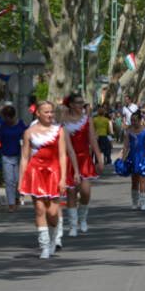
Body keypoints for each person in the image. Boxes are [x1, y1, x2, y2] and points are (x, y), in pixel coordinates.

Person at [20, 101, 77, 259]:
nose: (50, 114)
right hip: (35, 172)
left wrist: (64, 178)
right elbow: (24, 158)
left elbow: (62, 156)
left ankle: (53, 238)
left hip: (54, 173)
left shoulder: (59, 130)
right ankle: (44, 246)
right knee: (39, 209)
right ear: (37, 113)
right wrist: (20, 180)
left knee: (52, 213)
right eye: (46, 112)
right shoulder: (29, 132)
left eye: (51, 112)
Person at [62, 94, 104, 236]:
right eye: (79, 102)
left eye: (83, 102)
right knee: (71, 192)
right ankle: (73, 225)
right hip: (68, 159)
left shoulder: (88, 119)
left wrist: (99, 159)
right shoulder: (62, 120)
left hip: (84, 158)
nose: (82, 105)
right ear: (71, 104)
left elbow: (92, 140)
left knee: (85, 192)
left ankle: (83, 218)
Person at [0, 106, 27, 213]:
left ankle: (17, 198)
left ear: (12, 116)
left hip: (19, 157)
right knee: (9, 182)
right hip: (6, 156)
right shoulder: (2, 125)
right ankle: (11, 204)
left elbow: (28, 137)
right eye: (4, 117)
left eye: (6, 117)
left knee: (18, 180)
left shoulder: (22, 123)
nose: (5, 119)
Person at [121, 111, 145, 210]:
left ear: (141, 120)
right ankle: (134, 201)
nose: (133, 122)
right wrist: (124, 157)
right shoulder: (129, 132)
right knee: (134, 180)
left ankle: (143, 202)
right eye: (132, 121)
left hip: (143, 156)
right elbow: (125, 146)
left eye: (135, 120)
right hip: (133, 156)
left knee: (143, 179)